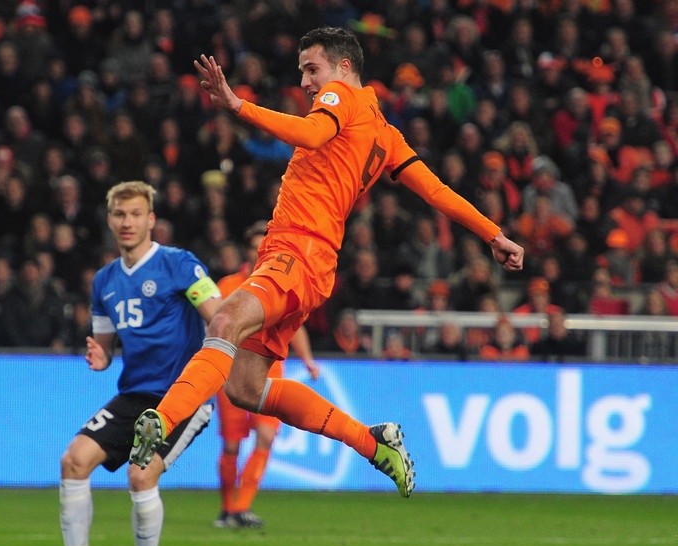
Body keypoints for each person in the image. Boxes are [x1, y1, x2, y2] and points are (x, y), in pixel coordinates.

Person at [132, 27, 525, 500]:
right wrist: (494, 234)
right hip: (311, 262)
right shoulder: (386, 134)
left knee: (224, 320)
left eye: (312, 69)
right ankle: (372, 443)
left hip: (297, 251)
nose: (305, 82)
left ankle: (162, 421)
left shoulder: (341, 97)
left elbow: (311, 133)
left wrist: (238, 106)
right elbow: (437, 192)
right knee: (245, 388)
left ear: (344, 67)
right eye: (302, 72)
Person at [54, 181, 222, 546]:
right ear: (110, 221)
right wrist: (100, 357)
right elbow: (105, 347)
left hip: (181, 396)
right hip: (134, 394)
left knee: (140, 475)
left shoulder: (179, 264)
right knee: (73, 461)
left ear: (151, 220)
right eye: (119, 214)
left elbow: (219, 317)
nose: (127, 222)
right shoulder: (105, 281)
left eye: (135, 214)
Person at [214, 222, 320, 529]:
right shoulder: (227, 286)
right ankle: (226, 509)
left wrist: (308, 360)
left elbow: (295, 326)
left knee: (267, 435)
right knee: (231, 445)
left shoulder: (283, 284)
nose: (259, 252)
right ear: (247, 251)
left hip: (269, 371)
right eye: (254, 247)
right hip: (231, 371)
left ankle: (241, 508)